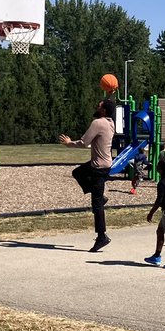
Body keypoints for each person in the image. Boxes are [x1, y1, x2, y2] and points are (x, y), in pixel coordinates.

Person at [59, 99, 116, 253]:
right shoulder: (111, 124)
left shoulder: (98, 123)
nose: (96, 106)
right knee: (78, 172)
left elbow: (84, 143)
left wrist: (69, 143)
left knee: (97, 206)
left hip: (98, 168)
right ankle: (100, 197)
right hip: (104, 165)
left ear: (103, 110)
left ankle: (102, 236)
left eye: (99, 104)